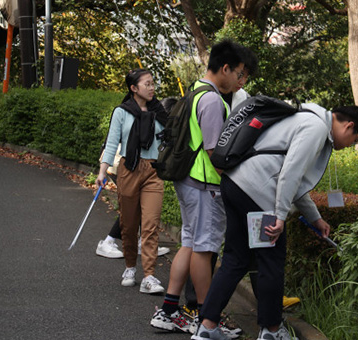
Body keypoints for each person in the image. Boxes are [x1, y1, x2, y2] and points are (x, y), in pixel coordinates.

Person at [192, 104, 358, 340]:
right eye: (354, 139)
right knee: (271, 263)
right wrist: (280, 215)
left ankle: (207, 326)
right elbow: (290, 174)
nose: (349, 145)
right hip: (259, 195)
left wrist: (315, 218)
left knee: (236, 260)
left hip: (235, 185)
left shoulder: (304, 119)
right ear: (349, 126)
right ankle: (272, 330)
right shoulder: (316, 128)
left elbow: (293, 180)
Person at [150, 40, 257, 333]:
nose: (242, 81)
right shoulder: (212, 100)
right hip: (204, 184)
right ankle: (206, 319)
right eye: (240, 73)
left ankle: (170, 310)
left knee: (189, 243)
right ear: (225, 68)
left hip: (189, 181)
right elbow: (215, 153)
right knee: (204, 248)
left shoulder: (197, 92)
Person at [96, 68, 167, 294]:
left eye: (153, 83)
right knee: (128, 225)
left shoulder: (160, 113)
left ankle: (149, 275)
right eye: (147, 84)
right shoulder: (122, 112)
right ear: (134, 88)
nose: (152, 87)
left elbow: (171, 139)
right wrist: (102, 172)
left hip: (154, 171)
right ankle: (129, 267)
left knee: (151, 225)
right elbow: (111, 144)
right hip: (129, 169)